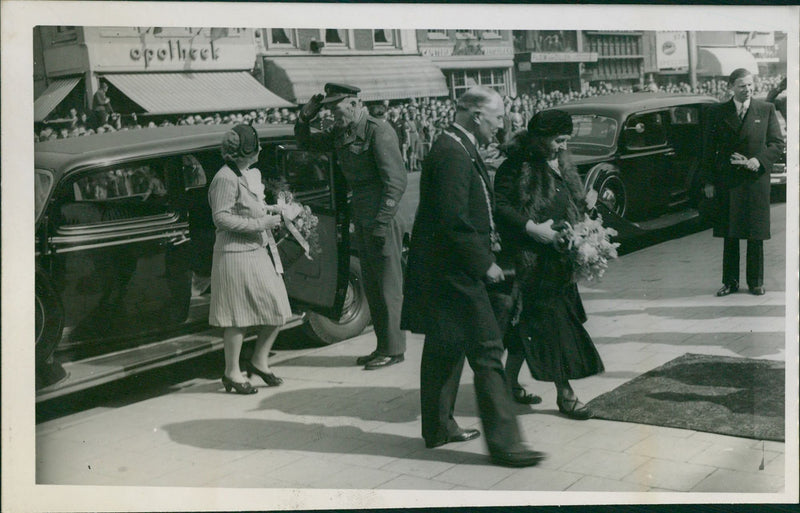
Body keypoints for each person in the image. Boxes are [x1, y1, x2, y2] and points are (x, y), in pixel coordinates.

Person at [401, 86, 546, 468]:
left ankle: (438, 428)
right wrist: (484, 263)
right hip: (458, 272)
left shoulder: (455, 145)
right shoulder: (452, 151)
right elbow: (452, 220)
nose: (501, 126)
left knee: (444, 347)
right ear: (476, 115)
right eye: (497, 118)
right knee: (486, 352)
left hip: (447, 268)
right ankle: (507, 445)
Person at [494, 110, 604, 419]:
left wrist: (585, 203)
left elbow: (569, 200)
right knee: (553, 328)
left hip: (558, 260)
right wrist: (532, 228)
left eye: (566, 140)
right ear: (540, 138)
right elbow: (500, 207)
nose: (563, 146)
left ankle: (507, 382)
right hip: (531, 263)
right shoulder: (515, 166)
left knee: (523, 329)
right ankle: (565, 394)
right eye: (558, 140)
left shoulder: (560, 161)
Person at [295, 83, 407, 370]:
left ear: (355, 104)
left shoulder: (377, 131)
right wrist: (304, 118)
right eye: (330, 109)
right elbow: (307, 145)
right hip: (362, 215)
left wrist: (382, 223)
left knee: (388, 286)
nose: (331, 115)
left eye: (336, 108)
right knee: (371, 283)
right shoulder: (342, 133)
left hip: (381, 216)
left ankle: (394, 349)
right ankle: (384, 345)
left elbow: (395, 182)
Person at [208, 124, 292, 394]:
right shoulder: (225, 177)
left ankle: (258, 361)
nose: (260, 150)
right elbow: (220, 217)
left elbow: (247, 207)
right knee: (237, 317)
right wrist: (260, 223)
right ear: (245, 152)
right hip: (233, 254)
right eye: (255, 146)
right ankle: (232, 373)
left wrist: (273, 210)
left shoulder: (243, 174)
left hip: (254, 251)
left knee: (278, 309)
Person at [700, 68, 785, 297]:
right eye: (741, 86)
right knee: (731, 233)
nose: (747, 89)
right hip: (728, 180)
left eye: (749, 85)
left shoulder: (766, 109)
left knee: (755, 233)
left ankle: (756, 282)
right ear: (731, 87)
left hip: (755, 179)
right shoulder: (717, 112)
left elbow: (777, 144)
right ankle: (730, 282)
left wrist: (758, 161)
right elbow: (708, 150)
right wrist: (709, 181)